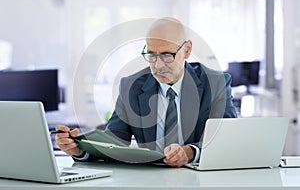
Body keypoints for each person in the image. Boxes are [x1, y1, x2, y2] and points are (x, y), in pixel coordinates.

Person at [55, 17, 237, 167]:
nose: (158, 65)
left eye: (167, 55)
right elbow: (113, 142)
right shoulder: (131, 86)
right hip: (149, 178)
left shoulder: (216, 83)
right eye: (151, 55)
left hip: (199, 179)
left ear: (187, 50)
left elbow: (227, 140)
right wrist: (80, 149)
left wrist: (190, 152)